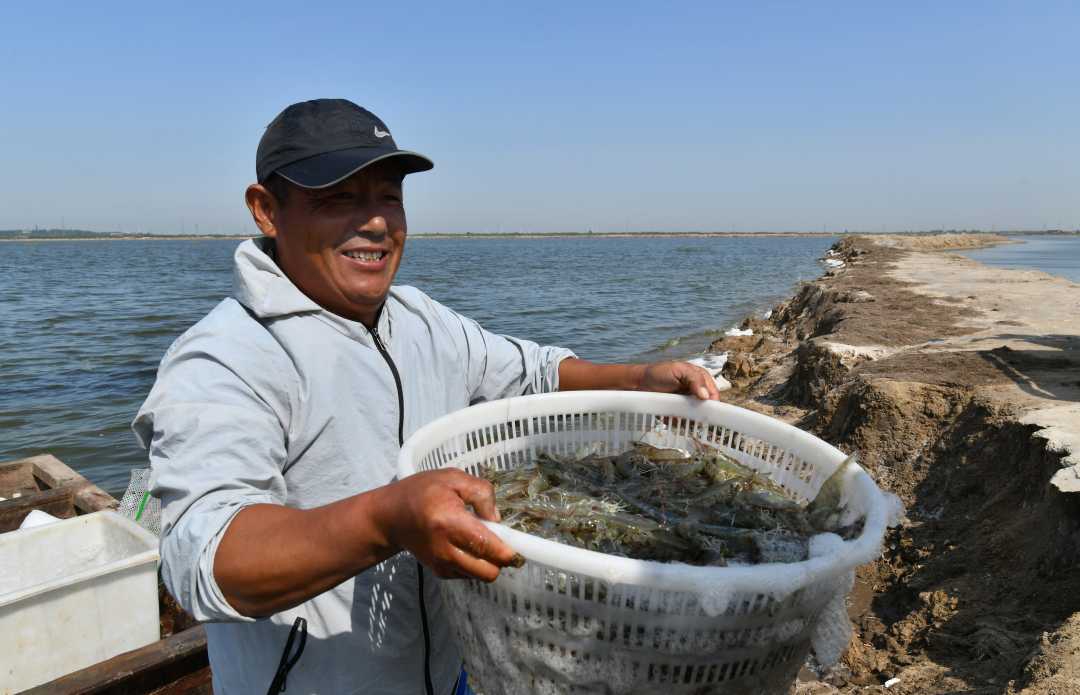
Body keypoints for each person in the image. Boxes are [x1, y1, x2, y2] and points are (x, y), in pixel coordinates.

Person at [133, 98, 722, 694]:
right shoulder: (224, 358)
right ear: (266, 210)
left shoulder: (420, 320)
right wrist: (386, 518)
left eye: (388, 196)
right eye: (337, 198)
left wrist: (635, 378)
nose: (375, 223)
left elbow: (531, 371)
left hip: (446, 674)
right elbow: (203, 561)